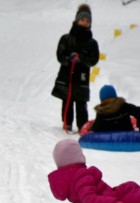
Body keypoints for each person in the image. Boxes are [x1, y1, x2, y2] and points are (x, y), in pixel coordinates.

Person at [51, 3, 99, 132]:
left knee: (81, 101)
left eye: (87, 21)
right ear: (77, 20)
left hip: (82, 76)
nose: (84, 23)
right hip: (67, 74)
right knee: (67, 99)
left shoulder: (92, 43)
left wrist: (82, 59)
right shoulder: (66, 39)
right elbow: (60, 55)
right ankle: (67, 123)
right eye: (82, 20)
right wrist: (69, 59)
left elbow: (94, 60)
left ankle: (82, 125)